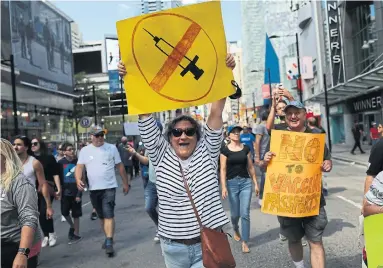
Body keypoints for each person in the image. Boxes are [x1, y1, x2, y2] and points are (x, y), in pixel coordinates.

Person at [119, 53, 236, 267]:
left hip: (208, 243)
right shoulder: (160, 154)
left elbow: (216, 111)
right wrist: (130, 78)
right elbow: (144, 115)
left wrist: (226, 71)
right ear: (170, 136)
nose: (183, 136)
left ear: (198, 136)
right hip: (173, 249)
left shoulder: (206, 151)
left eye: (190, 131)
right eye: (177, 132)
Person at [262, 101, 332, 268]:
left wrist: (327, 164)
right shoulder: (278, 137)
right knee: (294, 240)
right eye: (289, 113)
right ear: (285, 117)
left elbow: (327, 160)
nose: (293, 116)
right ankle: (299, 266)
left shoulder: (315, 136)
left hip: (312, 200)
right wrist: (264, 161)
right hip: (287, 201)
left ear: (304, 114)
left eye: (297, 112)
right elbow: (263, 165)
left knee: (315, 241)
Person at [75, 126, 130, 256]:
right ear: (91, 136)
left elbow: (120, 166)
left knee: (109, 214)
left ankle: (109, 241)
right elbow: (79, 166)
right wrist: (78, 179)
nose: (100, 138)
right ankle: (107, 237)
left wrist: (125, 183)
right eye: (97, 135)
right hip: (94, 189)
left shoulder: (111, 148)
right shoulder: (85, 150)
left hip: (109, 187)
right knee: (101, 216)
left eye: (102, 135)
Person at [1, 138, 42, 268]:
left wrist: (22, 254)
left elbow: (29, 219)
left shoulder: (20, 183)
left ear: (4, 157)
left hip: (15, 245)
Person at [220, 125, 259, 253]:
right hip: (231, 184)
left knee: (245, 213)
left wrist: (256, 183)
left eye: (238, 132)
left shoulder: (246, 148)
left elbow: (251, 167)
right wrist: (224, 186)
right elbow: (223, 169)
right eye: (234, 132)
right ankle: (235, 228)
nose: (237, 134)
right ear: (229, 135)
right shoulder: (225, 150)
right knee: (235, 214)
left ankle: (245, 241)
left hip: (245, 183)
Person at [126, 143, 160, 243]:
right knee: (149, 207)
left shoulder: (168, 144)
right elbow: (147, 160)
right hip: (151, 181)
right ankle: (160, 227)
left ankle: (164, 231)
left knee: (165, 209)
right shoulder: (149, 146)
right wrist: (135, 153)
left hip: (165, 182)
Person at [31, 137, 61, 247]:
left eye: (35, 143)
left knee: (45, 211)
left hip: (47, 187)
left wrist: (59, 188)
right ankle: (46, 236)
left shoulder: (49, 157)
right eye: (31, 144)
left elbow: (55, 174)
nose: (33, 145)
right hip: (33, 188)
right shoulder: (29, 158)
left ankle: (52, 233)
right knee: (39, 214)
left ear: (41, 144)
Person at [58, 143, 82, 244]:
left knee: (76, 214)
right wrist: (58, 191)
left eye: (73, 149)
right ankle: (72, 226)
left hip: (75, 191)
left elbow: (82, 178)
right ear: (64, 152)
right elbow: (57, 178)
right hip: (65, 192)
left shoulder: (78, 162)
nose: (72, 151)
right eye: (69, 149)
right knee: (64, 212)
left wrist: (79, 194)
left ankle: (76, 234)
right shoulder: (60, 163)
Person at [254, 111, 270, 205]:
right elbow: (257, 141)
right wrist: (257, 157)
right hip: (263, 154)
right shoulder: (261, 126)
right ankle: (261, 197)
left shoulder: (270, 126)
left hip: (270, 154)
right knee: (265, 176)